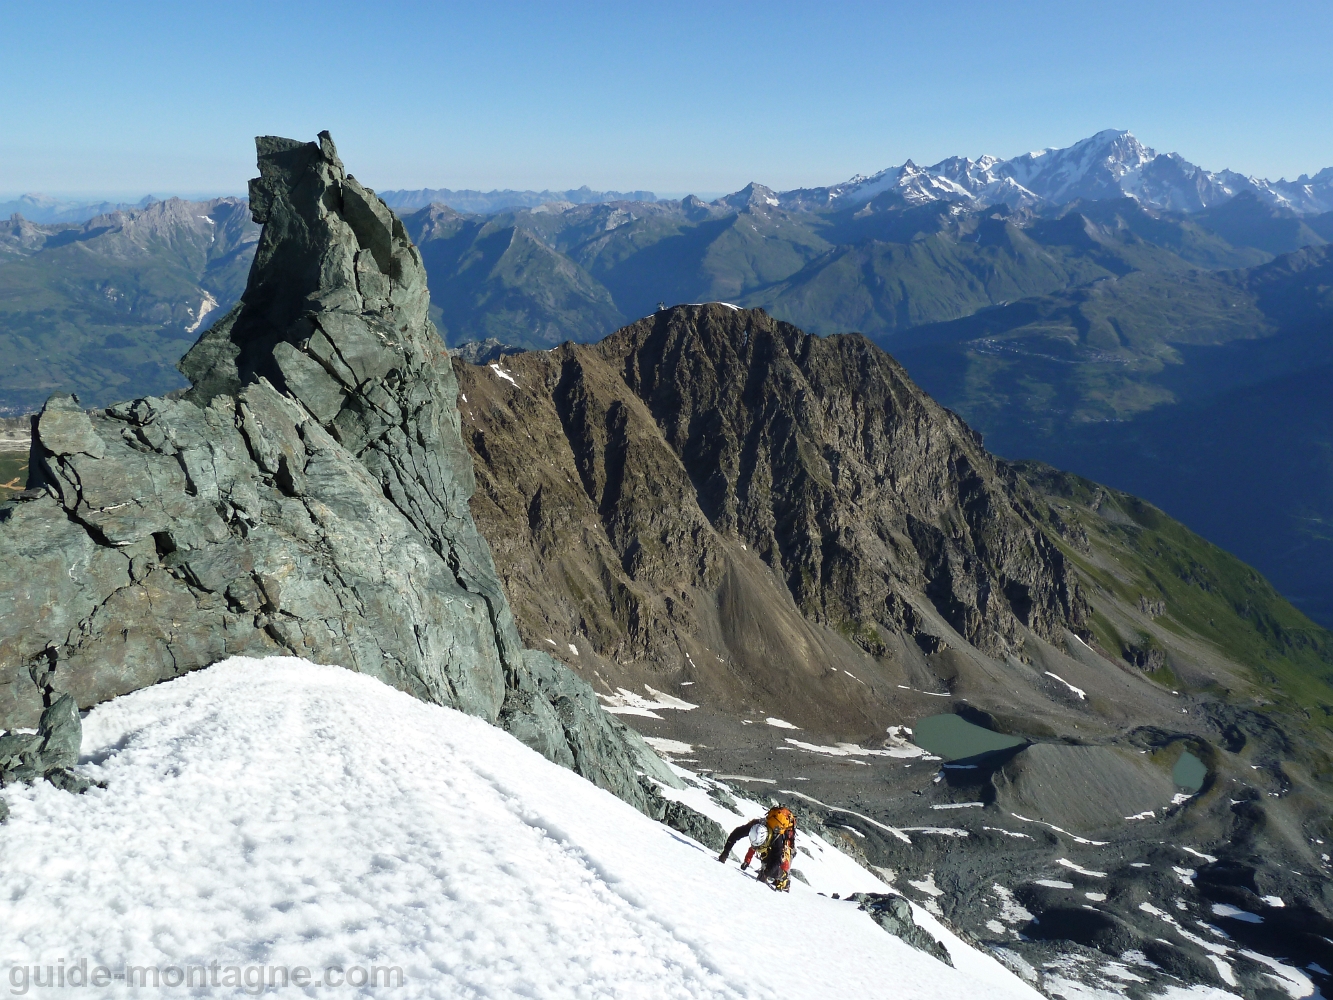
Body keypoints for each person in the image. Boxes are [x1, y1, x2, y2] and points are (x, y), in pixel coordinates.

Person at [718, 805, 796, 891]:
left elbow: (777, 859)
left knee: (774, 866)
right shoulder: (755, 826)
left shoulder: (777, 838)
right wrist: (725, 852)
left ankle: (784, 878)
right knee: (766, 864)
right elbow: (736, 834)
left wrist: (766, 873)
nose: (755, 847)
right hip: (770, 847)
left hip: (783, 849)